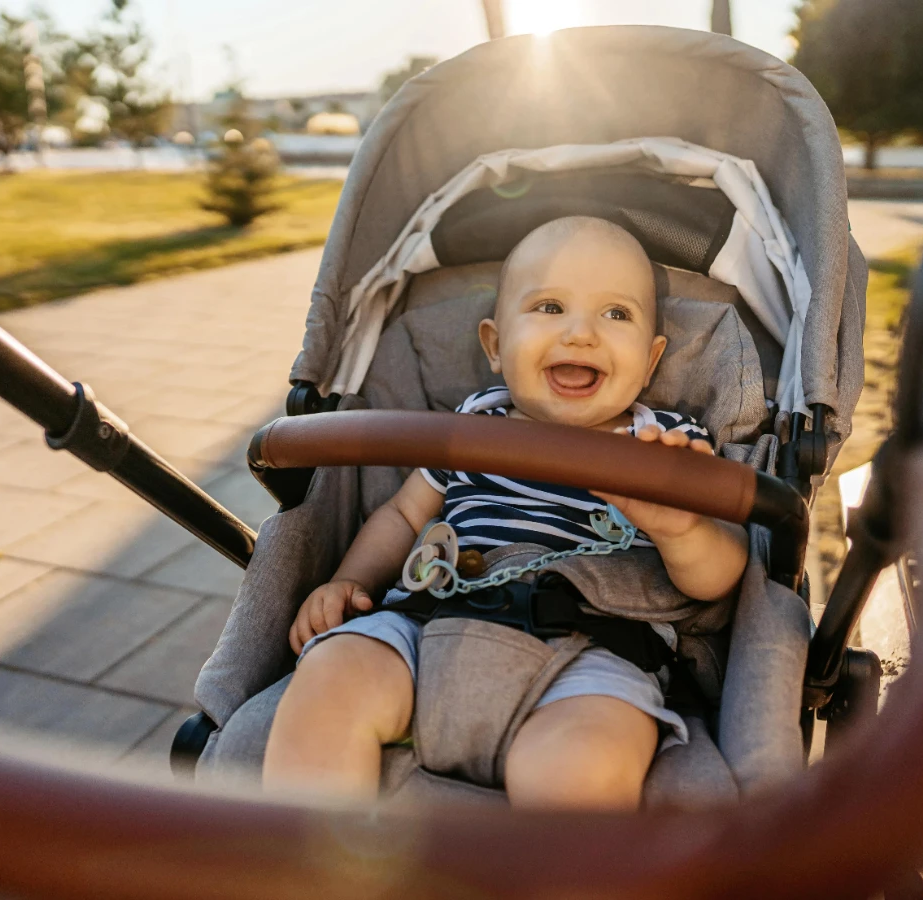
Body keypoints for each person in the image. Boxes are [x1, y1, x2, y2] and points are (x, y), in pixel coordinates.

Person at [262, 216, 749, 809]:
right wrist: (351, 582)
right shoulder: (472, 425)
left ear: (650, 363)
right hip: (427, 622)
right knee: (334, 676)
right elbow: (401, 516)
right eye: (549, 307)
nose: (580, 334)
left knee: (582, 769)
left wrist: (683, 528)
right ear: (494, 346)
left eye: (615, 314)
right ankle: (309, 868)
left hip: (591, 654)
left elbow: (720, 582)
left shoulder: (666, 445)